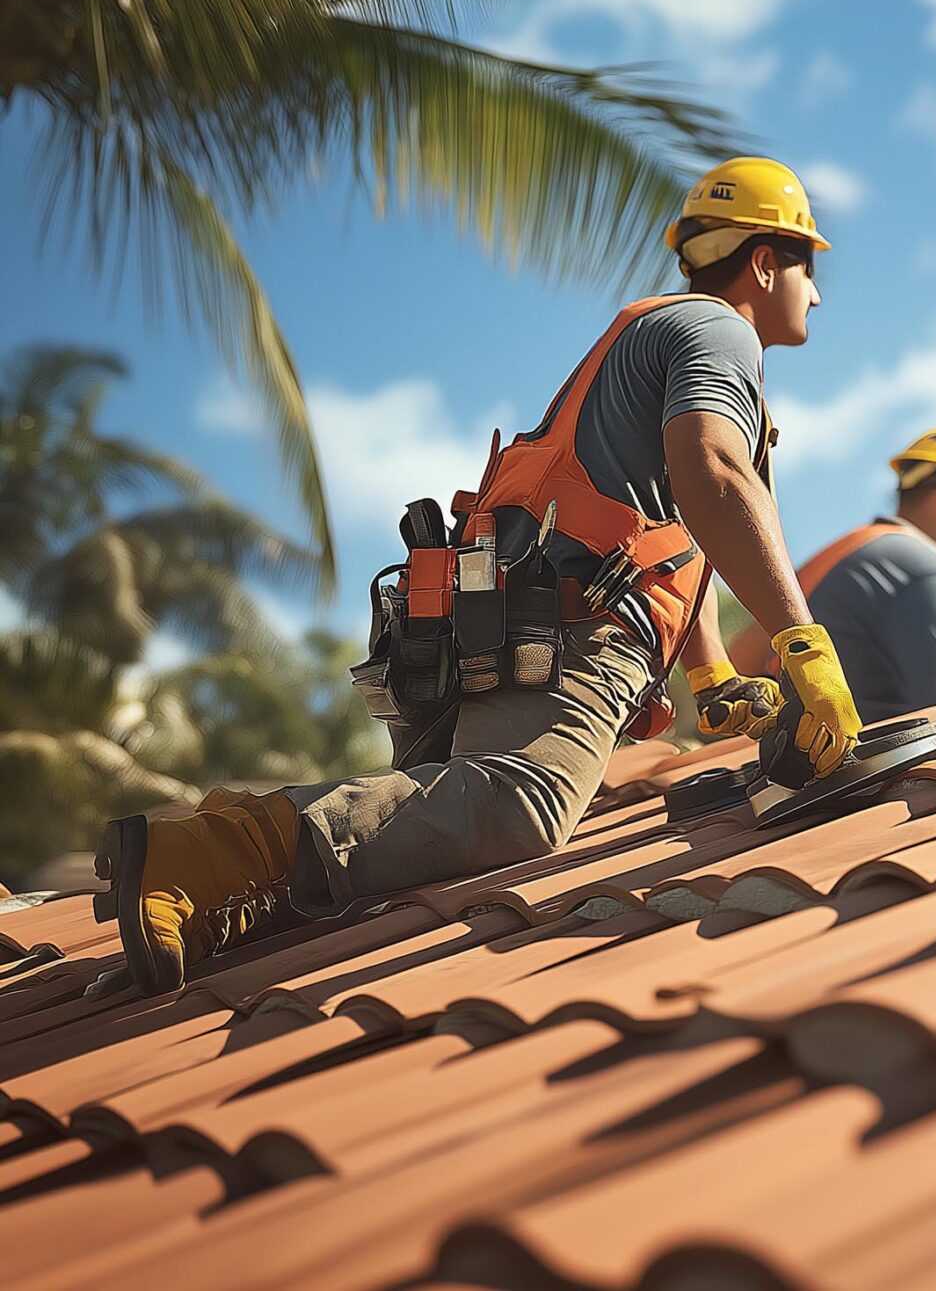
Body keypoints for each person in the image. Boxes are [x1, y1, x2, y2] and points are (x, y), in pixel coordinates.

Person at [97, 156, 870, 993]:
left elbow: (677, 527)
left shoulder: (654, 333)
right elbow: (714, 473)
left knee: (420, 825)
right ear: (763, 261)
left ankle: (223, 888)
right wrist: (804, 644)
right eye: (807, 264)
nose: (817, 294)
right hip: (568, 628)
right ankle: (213, 852)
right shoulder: (721, 332)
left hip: (495, 618)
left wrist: (711, 669)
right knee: (518, 802)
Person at [724, 425, 936, 718]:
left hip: (766, 755)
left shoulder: (853, 552)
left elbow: (738, 659)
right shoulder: (934, 575)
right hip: (859, 763)